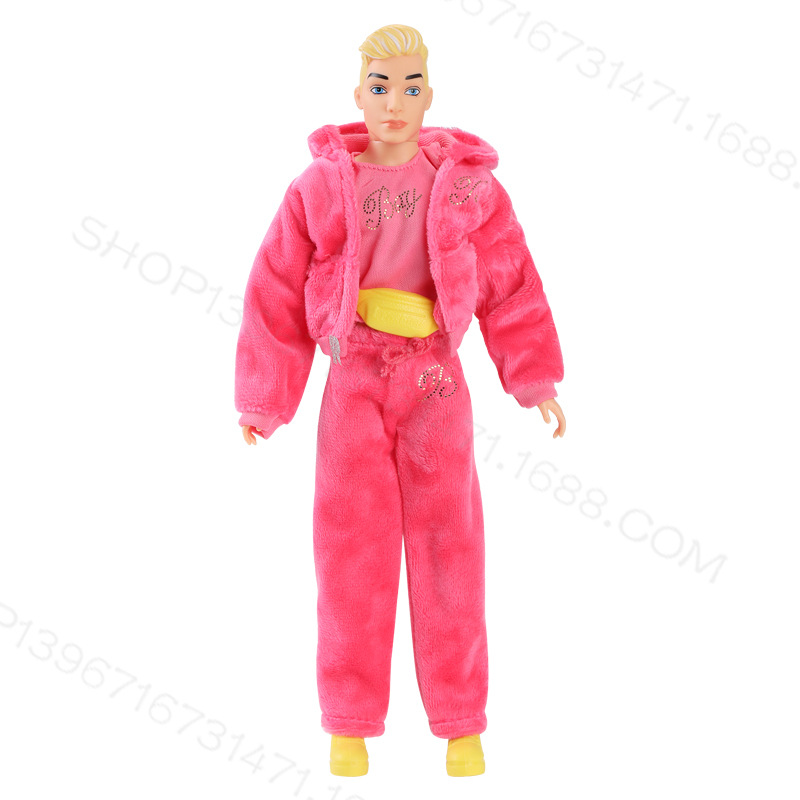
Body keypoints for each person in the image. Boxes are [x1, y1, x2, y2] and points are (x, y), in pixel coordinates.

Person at [235, 23, 566, 778]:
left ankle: (461, 722)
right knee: (350, 549)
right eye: (380, 87)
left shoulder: (467, 187)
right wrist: (266, 396)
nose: (394, 102)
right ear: (357, 95)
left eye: (410, 87)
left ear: (429, 97)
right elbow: (276, 287)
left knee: (452, 544)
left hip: (435, 379)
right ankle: (348, 723)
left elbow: (509, 277)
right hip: (353, 376)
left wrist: (533, 377)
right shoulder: (321, 188)